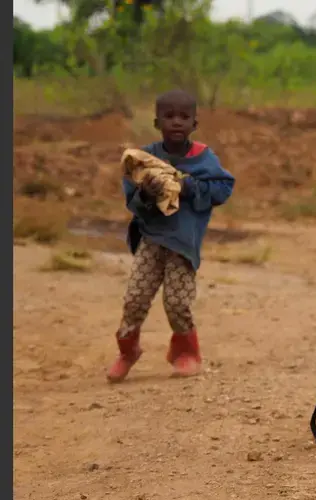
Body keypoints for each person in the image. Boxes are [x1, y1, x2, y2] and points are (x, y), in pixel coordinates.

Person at [107, 89, 235, 383]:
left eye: (183, 117)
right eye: (169, 116)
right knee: (135, 299)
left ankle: (186, 353)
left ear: (194, 123)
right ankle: (127, 351)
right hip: (151, 240)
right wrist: (147, 194)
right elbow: (132, 199)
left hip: (183, 245)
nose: (176, 122)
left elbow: (223, 188)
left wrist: (189, 187)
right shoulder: (146, 157)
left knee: (178, 303)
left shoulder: (203, 158)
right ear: (157, 122)